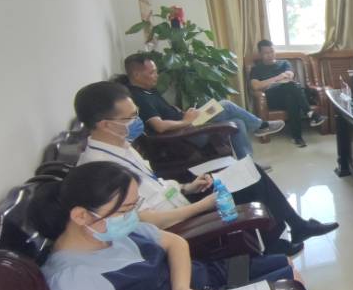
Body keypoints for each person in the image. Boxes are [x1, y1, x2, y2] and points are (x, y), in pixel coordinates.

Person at [29, 161, 314, 290]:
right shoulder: (77, 279)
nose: (133, 216)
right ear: (81, 215)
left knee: (287, 269)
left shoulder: (107, 231)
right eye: (126, 209)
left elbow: (175, 243)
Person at [74, 81, 339, 256]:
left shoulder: (120, 144)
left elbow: (153, 186)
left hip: (180, 199)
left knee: (251, 171)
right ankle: (282, 238)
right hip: (176, 221)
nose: (138, 121)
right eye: (131, 117)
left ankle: (289, 231)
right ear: (105, 124)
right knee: (251, 180)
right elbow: (143, 221)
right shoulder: (101, 170)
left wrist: (188, 187)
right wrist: (202, 205)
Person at [122, 52, 285, 160]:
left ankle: (249, 166)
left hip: (188, 124)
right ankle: (261, 126)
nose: (156, 75)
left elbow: (165, 112)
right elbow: (159, 126)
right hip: (185, 134)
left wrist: (183, 112)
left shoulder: (148, 90)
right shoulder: (139, 97)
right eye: (152, 72)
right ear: (136, 75)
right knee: (226, 105)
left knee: (238, 122)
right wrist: (186, 121)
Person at [249, 39, 327, 147]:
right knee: (292, 88)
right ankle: (310, 114)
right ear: (260, 54)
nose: (270, 55)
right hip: (272, 99)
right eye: (266, 53)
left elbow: (290, 76)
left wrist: (272, 82)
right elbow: (255, 86)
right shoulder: (256, 69)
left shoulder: (284, 63)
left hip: (289, 93)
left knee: (291, 96)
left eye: (272, 51)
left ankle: (297, 137)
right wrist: (277, 78)